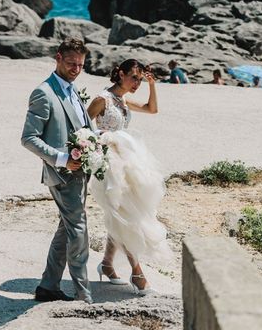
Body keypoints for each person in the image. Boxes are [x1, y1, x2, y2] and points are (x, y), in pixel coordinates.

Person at [21, 38, 94, 303]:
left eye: (81, 65)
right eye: (72, 63)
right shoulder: (44, 92)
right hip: (62, 174)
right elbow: (29, 138)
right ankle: (83, 295)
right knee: (78, 231)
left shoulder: (73, 89)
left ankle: (48, 287)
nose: (76, 69)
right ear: (58, 58)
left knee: (66, 228)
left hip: (80, 173)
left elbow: (84, 128)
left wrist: (99, 151)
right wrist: (62, 158)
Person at [87, 59, 159, 295]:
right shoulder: (102, 99)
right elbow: (83, 128)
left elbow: (152, 109)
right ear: (120, 74)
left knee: (123, 214)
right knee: (125, 215)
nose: (136, 83)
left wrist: (152, 84)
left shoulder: (123, 99)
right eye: (133, 78)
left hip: (128, 164)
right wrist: (103, 136)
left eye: (139, 79)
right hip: (109, 165)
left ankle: (107, 265)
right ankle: (137, 273)